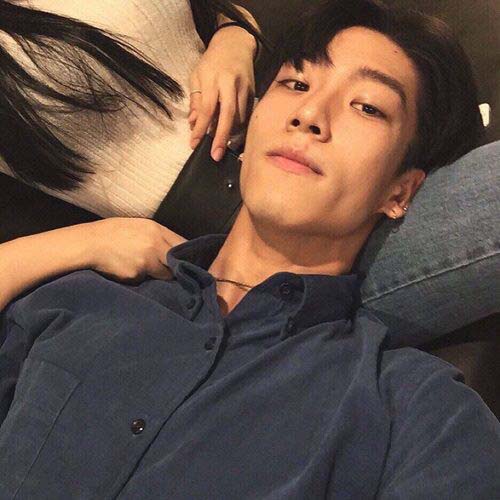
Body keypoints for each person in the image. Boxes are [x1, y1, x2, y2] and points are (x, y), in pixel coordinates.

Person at [0, 0, 499, 497]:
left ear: (400, 191)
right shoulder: (70, 302)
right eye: (295, 84)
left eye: (367, 106)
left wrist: (233, 32)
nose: (309, 114)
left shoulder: (416, 411)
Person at [0, 0, 263, 309]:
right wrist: (91, 242)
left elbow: (216, 13)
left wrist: (233, 39)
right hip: (205, 255)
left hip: (283, 151)